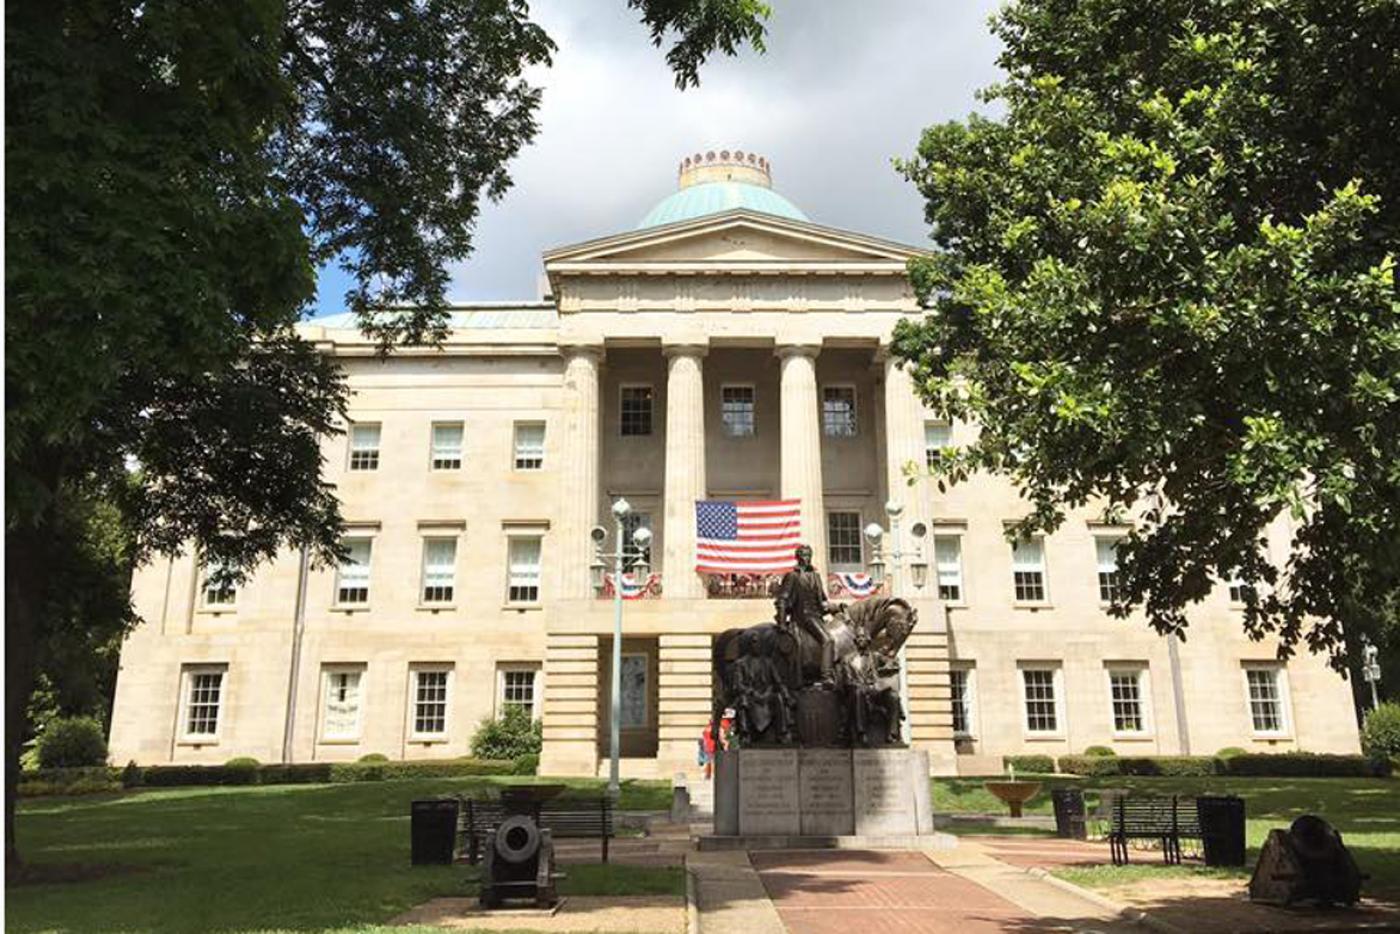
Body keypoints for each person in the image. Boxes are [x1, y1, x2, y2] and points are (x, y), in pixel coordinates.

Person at [774, 543, 835, 683]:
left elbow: (823, 602)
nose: (807, 558)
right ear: (797, 557)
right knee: (828, 640)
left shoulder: (816, 576)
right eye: (803, 555)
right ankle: (826, 675)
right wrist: (782, 623)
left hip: (817, 616)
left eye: (809, 555)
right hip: (803, 617)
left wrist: (837, 607)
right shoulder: (792, 576)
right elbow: (782, 598)